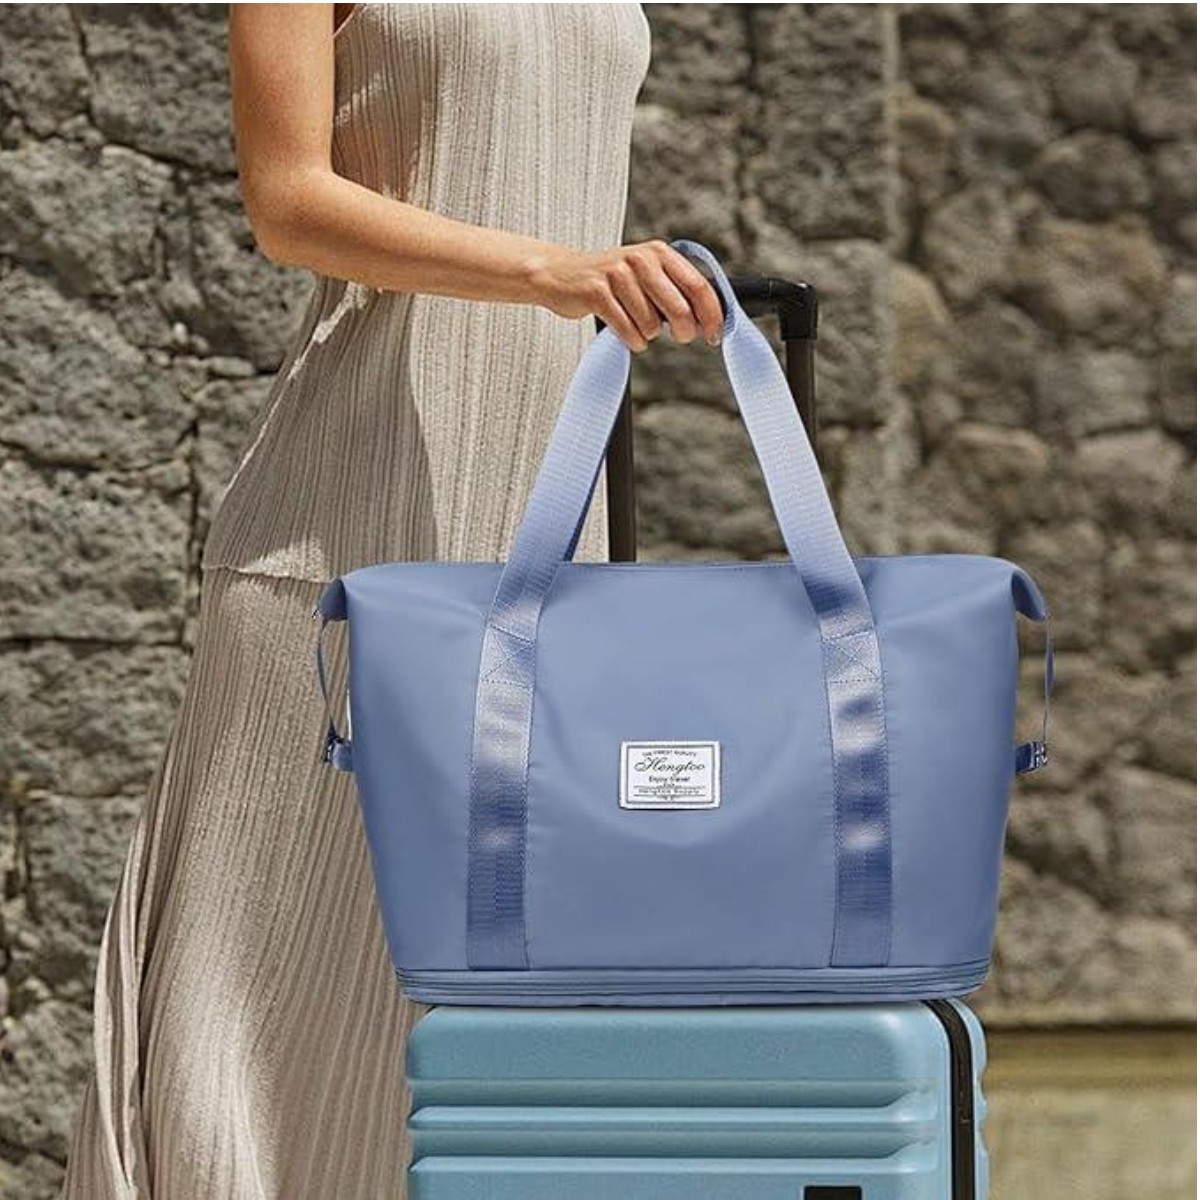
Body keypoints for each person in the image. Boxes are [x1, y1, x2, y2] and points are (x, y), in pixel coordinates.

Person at [61, 3, 722, 1197]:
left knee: (490, 980)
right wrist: (552, 268)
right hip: (345, 523)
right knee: (263, 992)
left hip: (550, 510)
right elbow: (289, 203)